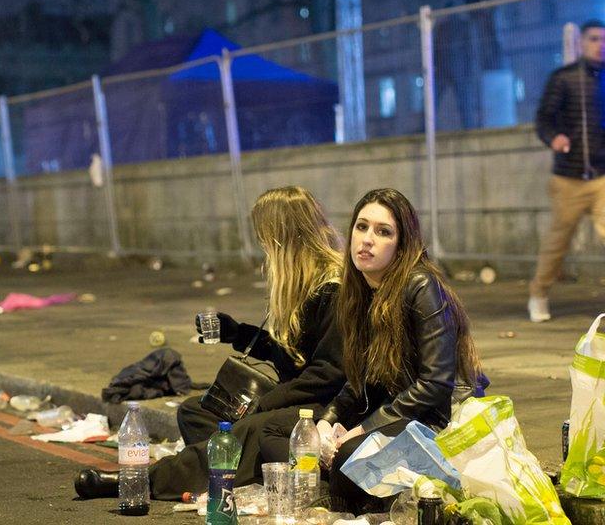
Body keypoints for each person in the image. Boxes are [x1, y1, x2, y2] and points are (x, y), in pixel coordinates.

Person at [75, 186, 345, 501]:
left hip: (323, 408)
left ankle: (142, 481)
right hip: (296, 397)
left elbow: (328, 373)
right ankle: (237, 469)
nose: (261, 245)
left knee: (248, 428)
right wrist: (237, 334)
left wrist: (265, 404)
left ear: (280, 237)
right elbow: (293, 356)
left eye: (264, 236)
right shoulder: (303, 283)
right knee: (195, 412)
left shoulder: (333, 289)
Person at [260, 188, 487, 513]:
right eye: (361, 227)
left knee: (348, 453)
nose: (367, 239)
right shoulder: (361, 288)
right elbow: (359, 379)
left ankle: (340, 493)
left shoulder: (421, 287)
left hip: (430, 421)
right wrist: (327, 422)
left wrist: (366, 426)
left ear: (402, 244)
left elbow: (436, 384)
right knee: (278, 431)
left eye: (383, 232)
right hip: (389, 413)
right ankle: (342, 491)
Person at [528, 19, 605, 322]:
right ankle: (538, 293)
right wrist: (554, 138)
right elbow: (544, 119)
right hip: (568, 179)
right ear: (581, 43)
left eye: (604, 39)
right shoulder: (563, 79)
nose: (600, 45)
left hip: (602, 178)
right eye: (594, 39)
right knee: (557, 242)